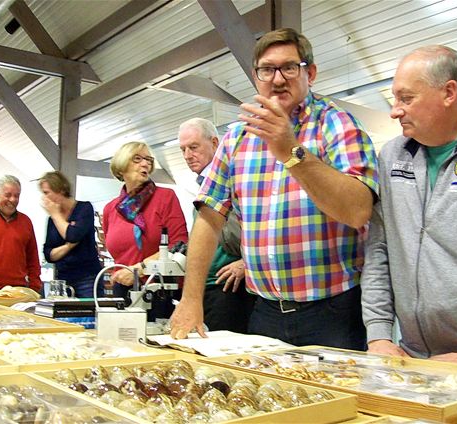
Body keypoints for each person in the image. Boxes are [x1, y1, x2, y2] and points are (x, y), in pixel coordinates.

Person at [170, 28, 379, 349]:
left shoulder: (338, 125)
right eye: (267, 69)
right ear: (256, 77)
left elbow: (357, 211)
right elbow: (209, 219)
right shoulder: (237, 138)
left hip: (333, 311)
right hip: (264, 312)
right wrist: (191, 299)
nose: (277, 79)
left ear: (310, 73)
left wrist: (291, 151)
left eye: (289, 68)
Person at [360, 46, 457, 366]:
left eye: (406, 98)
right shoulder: (392, 157)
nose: (394, 110)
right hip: (409, 355)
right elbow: (379, 249)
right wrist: (378, 336)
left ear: (449, 92)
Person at [178, 118, 255, 333]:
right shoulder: (201, 185)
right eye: (183, 149)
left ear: (214, 143)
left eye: (193, 147)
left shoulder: (231, 180)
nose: (187, 155)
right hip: (210, 286)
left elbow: (238, 235)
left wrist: (245, 263)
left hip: (230, 288)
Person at [103, 141, 188, 316]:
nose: (145, 164)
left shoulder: (165, 197)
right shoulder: (110, 209)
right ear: (121, 167)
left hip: (159, 292)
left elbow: (179, 244)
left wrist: (139, 269)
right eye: (137, 159)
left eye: (149, 160)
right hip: (122, 291)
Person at [39, 171, 103, 298]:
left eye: (46, 193)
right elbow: (48, 254)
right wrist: (69, 246)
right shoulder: (52, 220)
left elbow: (73, 236)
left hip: (87, 277)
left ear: (60, 190)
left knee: (89, 316)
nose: (44, 198)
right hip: (63, 279)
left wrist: (56, 214)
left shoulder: (84, 208)